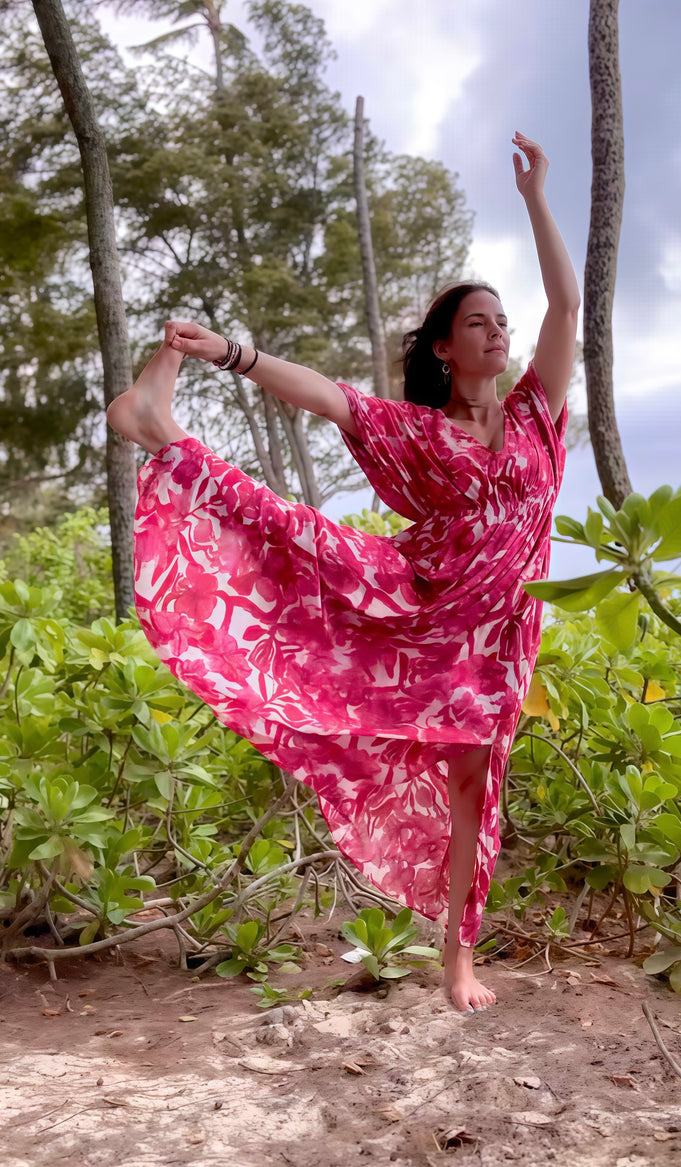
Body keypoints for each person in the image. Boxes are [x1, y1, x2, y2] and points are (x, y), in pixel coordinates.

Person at [106, 131, 579, 1013]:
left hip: (501, 632)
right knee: (292, 538)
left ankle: (457, 960)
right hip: (417, 603)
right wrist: (228, 353)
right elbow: (327, 394)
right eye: (477, 321)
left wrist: (535, 196)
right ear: (443, 347)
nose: (498, 331)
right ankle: (159, 426)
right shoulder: (418, 430)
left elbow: (567, 302)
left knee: (478, 780)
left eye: (500, 321)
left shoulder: (536, 418)